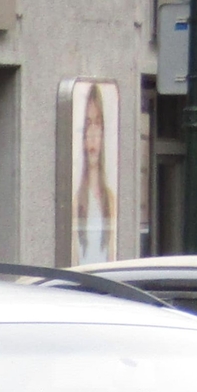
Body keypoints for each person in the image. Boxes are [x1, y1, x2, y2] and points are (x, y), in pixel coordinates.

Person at [72, 82, 114, 264]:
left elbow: (113, 258)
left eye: (98, 123)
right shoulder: (76, 201)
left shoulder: (110, 200)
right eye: (88, 124)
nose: (93, 134)